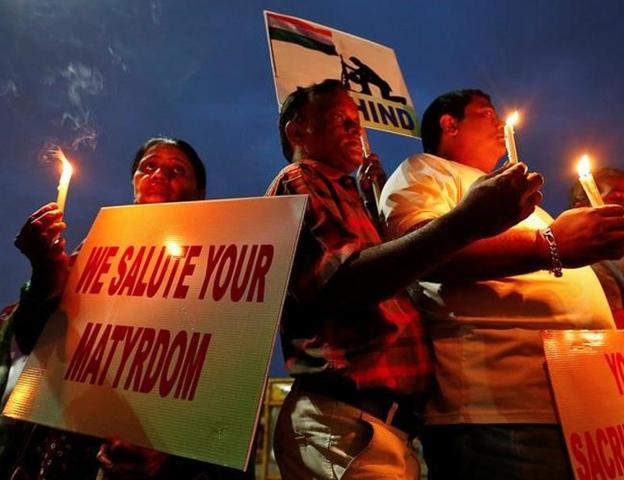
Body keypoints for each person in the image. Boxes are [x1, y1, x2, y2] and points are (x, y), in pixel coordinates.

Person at [265, 79, 543, 480]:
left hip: (382, 426)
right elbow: (343, 282)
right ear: (297, 131)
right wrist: (465, 222)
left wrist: (370, 202)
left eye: (357, 122)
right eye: (340, 119)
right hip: (346, 423)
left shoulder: (348, 194)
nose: (356, 130)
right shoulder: (300, 178)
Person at [379, 89, 624, 480]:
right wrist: (551, 245)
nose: (498, 123)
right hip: (506, 412)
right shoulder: (425, 171)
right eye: (486, 113)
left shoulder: (517, 201)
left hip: (582, 406)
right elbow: (421, 250)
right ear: (449, 123)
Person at [0, 137, 250, 479]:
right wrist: (43, 274)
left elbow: (223, 382)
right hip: (69, 442)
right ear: (134, 182)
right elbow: (33, 341)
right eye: (149, 166)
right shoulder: (96, 251)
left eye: (176, 170)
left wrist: (170, 458)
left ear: (198, 192)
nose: (159, 174)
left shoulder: (218, 267)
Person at [570, 167, 624, 327]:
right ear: (582, 207)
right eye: (614, 194)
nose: (621, 196)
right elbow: (612, 319)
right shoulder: (588, 263)